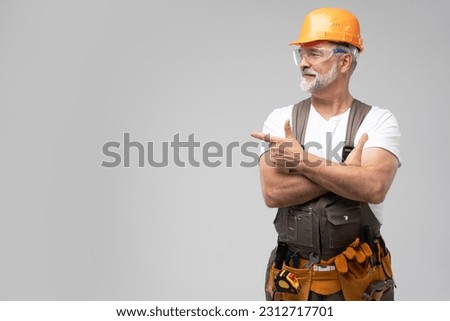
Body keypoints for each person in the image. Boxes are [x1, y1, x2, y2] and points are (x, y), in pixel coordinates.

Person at [250, 7, 401, 301]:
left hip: (360, 287)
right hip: (293, 284)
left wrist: (301, 161)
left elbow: (373, 187)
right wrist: (346, 171)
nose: (303, 63)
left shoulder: (379, 121)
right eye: (300, 54)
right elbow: (273, 193)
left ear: (345, 61)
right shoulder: (281, 120)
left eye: (314, 54)